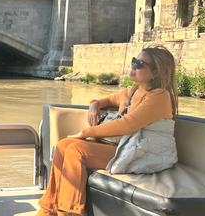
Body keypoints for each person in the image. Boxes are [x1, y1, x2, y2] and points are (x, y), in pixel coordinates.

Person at [36, 45, 178, 216]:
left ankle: (69, 213)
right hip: (126, 146)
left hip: (142, 152)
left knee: (76, 150)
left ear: (156, 72)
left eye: (139, 64)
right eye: (134, 61)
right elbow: (108, 99)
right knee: (63, 145)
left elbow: (128, 124)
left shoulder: (159, 96)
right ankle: (48, 209)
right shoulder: (133, 90)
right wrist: (94, 105)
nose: (133, 66)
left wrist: (86, 133)